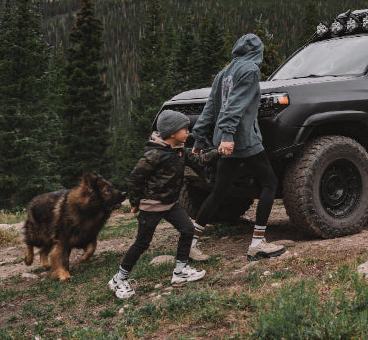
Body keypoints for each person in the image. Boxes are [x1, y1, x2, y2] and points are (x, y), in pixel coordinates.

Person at [190, 33, 285, 261]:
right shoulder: (251, 71)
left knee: (219, 191)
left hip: (226, 140)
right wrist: (229, 136)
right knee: (270, 183)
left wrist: (199, 138)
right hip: (242, 140)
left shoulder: (224, 72)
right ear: (257, 52)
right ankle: (257, 243)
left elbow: (210, 108)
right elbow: (234, 106)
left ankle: (189, 242)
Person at [109, 110, 218, 299]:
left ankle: (180, 270)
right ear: (172, 133)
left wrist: (219, 151)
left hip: (171, 204)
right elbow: (135, 177)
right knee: (142, 243)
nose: (188, 132)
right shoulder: (154, 155)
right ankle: (119, 279)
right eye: (184, 129)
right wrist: (135, 202)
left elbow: (200, 160)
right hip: (152, 205)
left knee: (187, 230)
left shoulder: (180, 152)